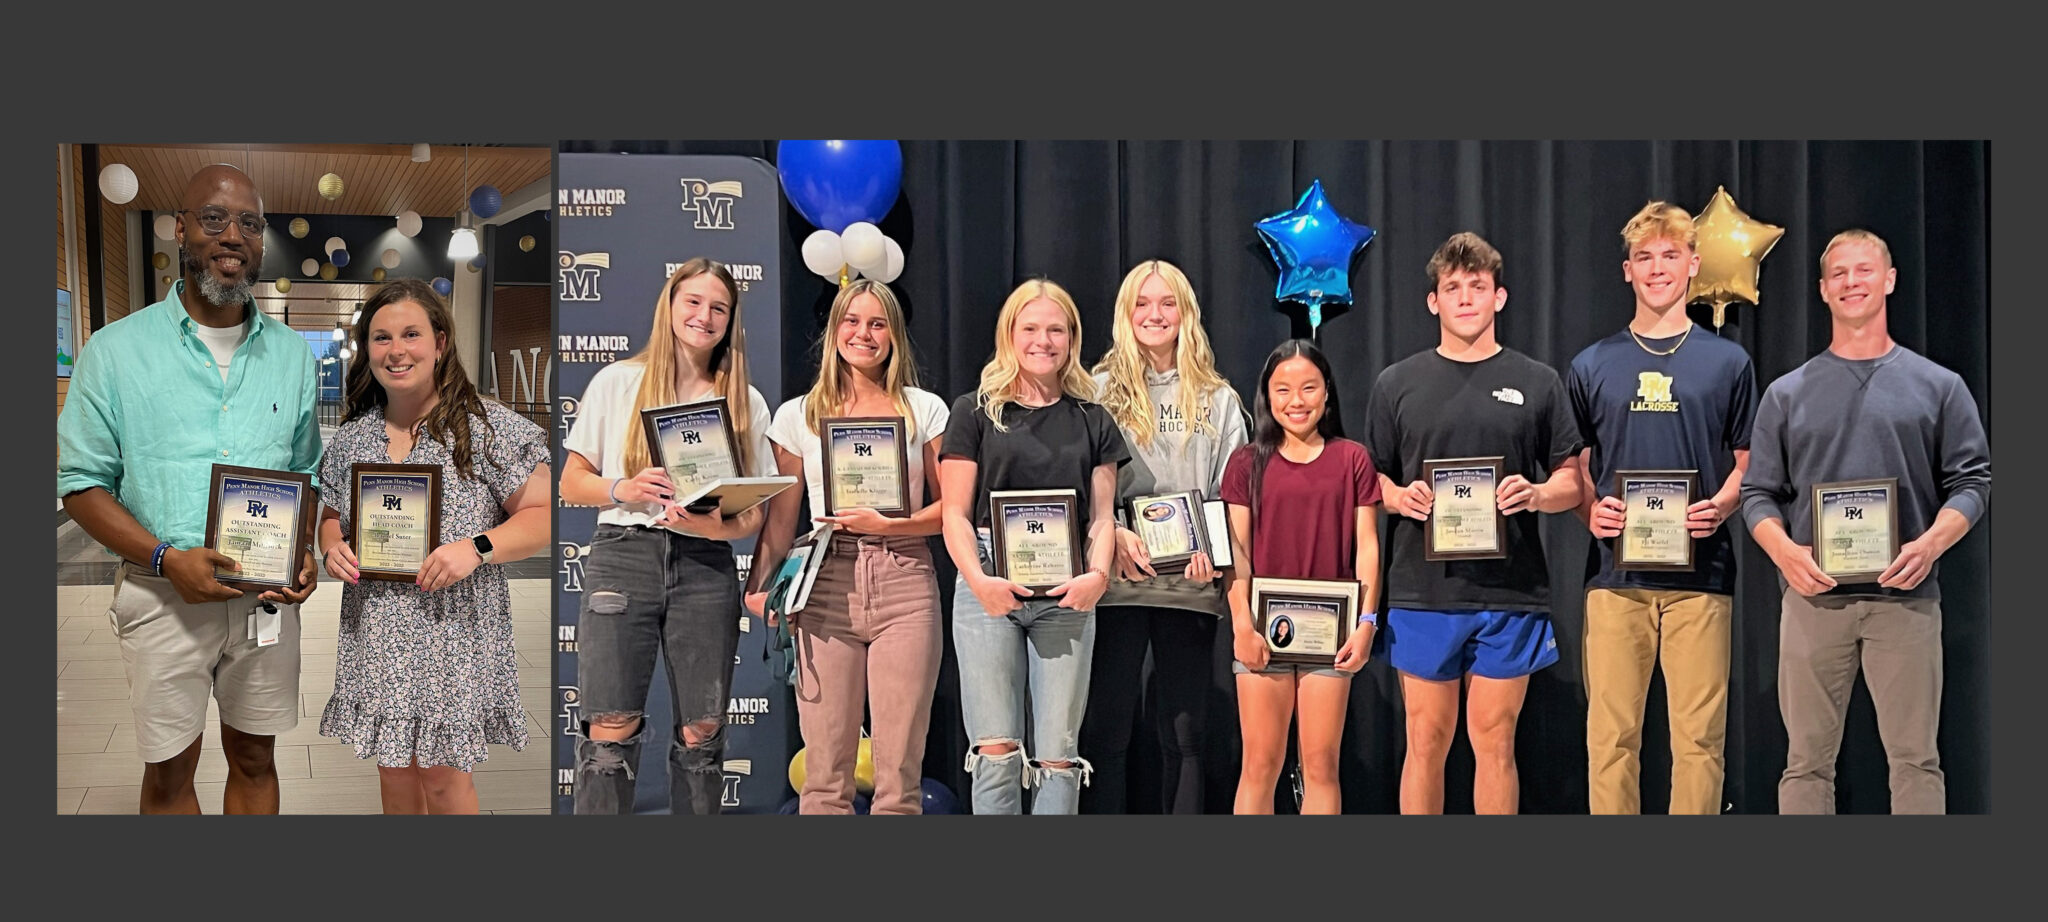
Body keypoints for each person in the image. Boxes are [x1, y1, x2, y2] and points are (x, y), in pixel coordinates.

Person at [58, 164, 320, 814]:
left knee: (257, 756)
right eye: (214, 219)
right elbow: (81, 484)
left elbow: (305, 470)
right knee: (171, 770)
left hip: (263, 603)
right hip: (161, 595)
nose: (233, 236)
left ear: (262, 242)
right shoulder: (115, 352)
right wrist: (164, 559)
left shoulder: (292, 357)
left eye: (251, 224)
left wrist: (304, 549)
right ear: (180, 229)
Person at [1741, 229, 1990, 815]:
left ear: (1890, 280)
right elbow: (1758, 495)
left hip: (1905, 600)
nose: (1852, 283)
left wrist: (1930, 544)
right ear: (1823, 290)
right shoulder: (1786, 394)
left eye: (1864, 271)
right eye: (1840, 275)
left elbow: (1973, 482)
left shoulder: (1939, 386)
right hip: (1811, 601)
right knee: (1804, 764)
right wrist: (1785, 554)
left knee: (1916, 761)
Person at [1366, 232, 1585, 815]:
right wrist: (1399, 497)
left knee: (1495, 742)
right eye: (1452, 288)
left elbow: (1572, 482)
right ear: (1433, 302)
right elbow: (1373, 483)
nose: (1465, 298)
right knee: (1426, 742)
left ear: (1500, 297)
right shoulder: (1396, 383)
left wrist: (1537, 494)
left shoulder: (1538, 381)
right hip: (1423, 590)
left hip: (1510, 590)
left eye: (1478, 287)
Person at [314, 279, 550, 814]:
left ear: (440, 342)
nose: (397, 350)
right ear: (365, 349)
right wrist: (332, 546)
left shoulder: (483, 427)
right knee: (394, 776)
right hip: (378, 630)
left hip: (454, 632)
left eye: (411, 334)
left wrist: (477, 547)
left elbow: (545, 515)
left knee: (443, 780)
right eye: (381, 338)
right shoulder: (354, 436)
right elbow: (331, 515)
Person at [560, 258, 774, 814]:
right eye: (693, 302)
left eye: (718, 308)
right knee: (610, 725)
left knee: (703, 732)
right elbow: (572, 482)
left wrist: (714, 524)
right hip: (623, 557)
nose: (704, 316)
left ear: (731, 320)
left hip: (706, 567)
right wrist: (624, 488)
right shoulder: (617, 381)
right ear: (670, 305)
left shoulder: (744, 401)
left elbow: (752, 516)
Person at [1566, 202, 1759, 814]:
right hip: (1615, 578)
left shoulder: (1729, 362)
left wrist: (1723, 506)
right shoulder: (1591, 364)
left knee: (1700, 741)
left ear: (1693, 265)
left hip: (1702, 580)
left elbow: (1750, 464)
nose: (1657, 268)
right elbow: (1573, 467)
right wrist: (1589, 510)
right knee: (1610, 739)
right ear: (1627, 270)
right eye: (1644, 257)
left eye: (1670, 255)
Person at [744, 279, 950, 814]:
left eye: (878, 323)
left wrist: (887, 527)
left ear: (894, 335)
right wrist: (760, 588)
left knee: (899, 776)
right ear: (835, 331)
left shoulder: (924, 409)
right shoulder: (798, 415)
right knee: (824, 775)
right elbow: (779, 521)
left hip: (905, 582)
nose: (864, 333)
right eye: (852, 321)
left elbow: (952, 509)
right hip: (822, 581)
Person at [939, 278, 1126, 815]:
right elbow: (953, 513)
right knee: (996, 750)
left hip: (1069, 589)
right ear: (1009, 334)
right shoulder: (973, 411)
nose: (1043, 340)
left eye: (1056, 329)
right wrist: (979, 582)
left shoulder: (1094, 419)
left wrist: (1098, 576)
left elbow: (1102, 517)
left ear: (1072, 338)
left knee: (1058, 756)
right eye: (1030, 328)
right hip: (987, 582)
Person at [1080, 260, 1249, 815]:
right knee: (1107, 732)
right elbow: (1078, 484)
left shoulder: (1218, 398)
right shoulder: (1095, 389)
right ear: (1125, 314)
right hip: (1117, 580)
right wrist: (1116, 535)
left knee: (1186, 735)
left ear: (1186, 313)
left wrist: (1218, 552)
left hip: (1191, 584)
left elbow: (1234, 492)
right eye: (1142, 304)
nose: (1155, 315)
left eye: (1167, 303)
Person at [1221, 339, 1381, 815]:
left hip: (1331, 635)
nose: (1297, 401)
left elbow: (1368, 546)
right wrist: (1241, 628)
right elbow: (1237, 553)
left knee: (1321, 766)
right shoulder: (1247, 463)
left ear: (1327, 393)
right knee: (1260, 765)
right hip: (1260, 635)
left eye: (1309, 388)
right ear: (1267, 396)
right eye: (1283, 389)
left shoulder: (1353, 459)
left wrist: (1367, 623)